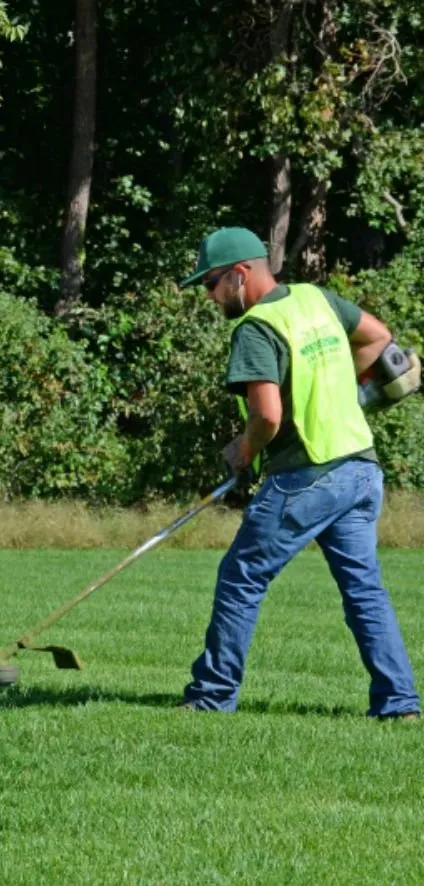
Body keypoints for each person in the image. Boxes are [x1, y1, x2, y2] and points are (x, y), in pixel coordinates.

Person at [177, 226, 421, 719]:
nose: (208, 296)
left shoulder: (256, 328)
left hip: (307, 477)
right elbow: (377, 336)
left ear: (239, 275)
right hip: (360, 468)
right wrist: (345, 390)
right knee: (364, 589)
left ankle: (211, 697)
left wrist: (244, 452)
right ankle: (400, 705)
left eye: (211, 284)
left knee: (240, 578)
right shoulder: (316, 299)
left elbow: (266, 416)